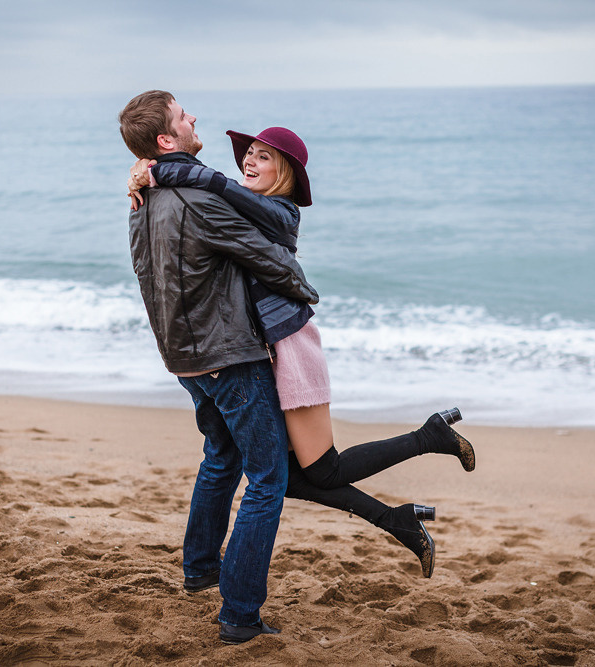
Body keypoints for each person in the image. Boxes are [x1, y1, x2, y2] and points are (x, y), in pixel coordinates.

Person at [127, 124, 477, 580]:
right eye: (249, 154)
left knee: (320, 469)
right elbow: (209, 196)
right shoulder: (242, 203)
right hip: (260, 354)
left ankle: (430, 439)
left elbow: (212, 186)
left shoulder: (280, 212)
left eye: (264, 157)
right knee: (284, 476)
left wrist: (157, 171)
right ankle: (397, 518)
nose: (250, 162)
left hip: (291, 348)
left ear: (285, 172)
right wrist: (146, 173)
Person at [119, 90, 319, 645]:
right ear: (166, 139)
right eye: (184, 116)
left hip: (184, 356)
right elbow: (266, 256)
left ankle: (201, 567)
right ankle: (239, 615)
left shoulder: (144, 197)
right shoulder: (191, 198)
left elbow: (144, 271)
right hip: (227, 355)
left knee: (221, 455)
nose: (194, 118)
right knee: (268, 478)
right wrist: (306, 293)